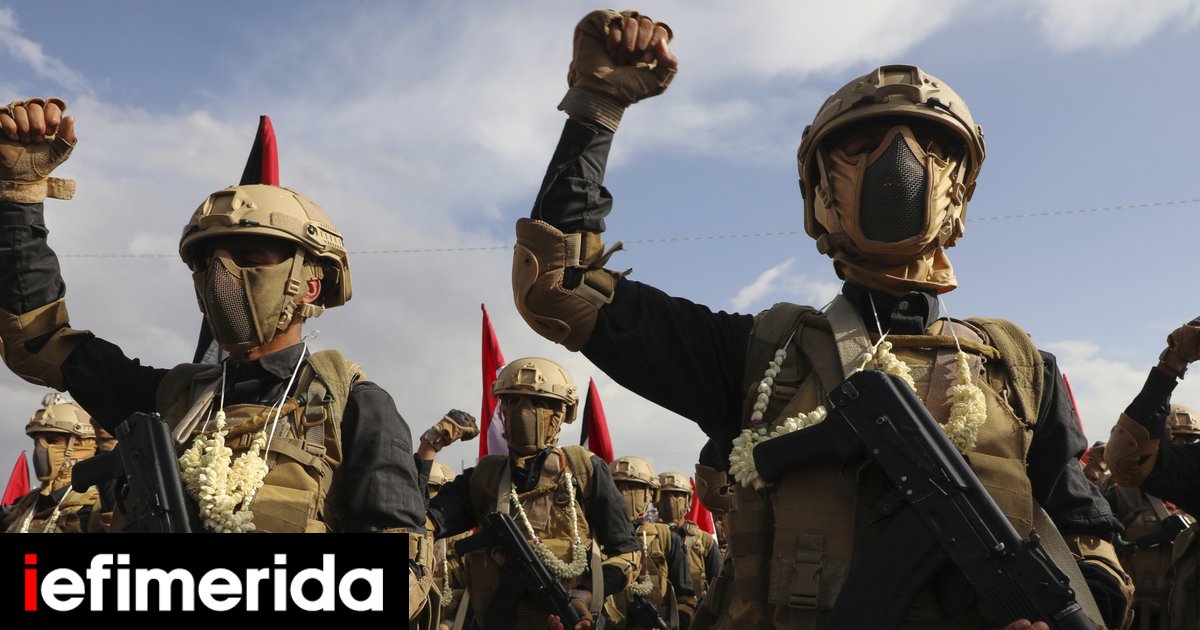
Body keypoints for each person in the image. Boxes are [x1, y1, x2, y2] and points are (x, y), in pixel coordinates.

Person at [513, 10, 1132, 629]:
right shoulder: (759, 355)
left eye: (933, 147)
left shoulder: (1020, 371)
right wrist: (597, 107)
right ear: (819, 192)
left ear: (960, 192)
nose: (900, 160)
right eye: (862, 146)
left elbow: (1088, 545)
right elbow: (560, 284)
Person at [0, 101, 427, 541]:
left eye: (249, 259)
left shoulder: (353, 406)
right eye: (207, 263)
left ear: (310, 286)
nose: (222, 277)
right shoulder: (167, 399)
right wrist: (20, 196)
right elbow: (40, 338)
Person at [422, 357, 640, 630]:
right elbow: (423, 519)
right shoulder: (485, 476)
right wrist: (428, 447)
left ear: (562, 413)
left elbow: (627, 554)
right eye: (512, 401)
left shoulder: (583, 470)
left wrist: (583, 595)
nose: (522, 412)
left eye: (537, 403)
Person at [605, 456, 694, 629]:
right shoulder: (594, 538)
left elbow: (685, 598)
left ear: (651, 494)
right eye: (616, 486)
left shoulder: (667, 538)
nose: (623, 493)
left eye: (633, 487)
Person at [3, 393, 102, 533]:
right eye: (37, 442)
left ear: (81, 446)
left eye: (52, 440)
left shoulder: (97, 506)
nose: (40, 449)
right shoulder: (25, 505)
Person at [656, 470, 719, 608]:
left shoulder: (705, 541)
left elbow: (719, 587)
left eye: (677, 495)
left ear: (688, 500)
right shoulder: (646, 538)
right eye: (664, 495)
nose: (670, 501)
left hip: (695, 614)